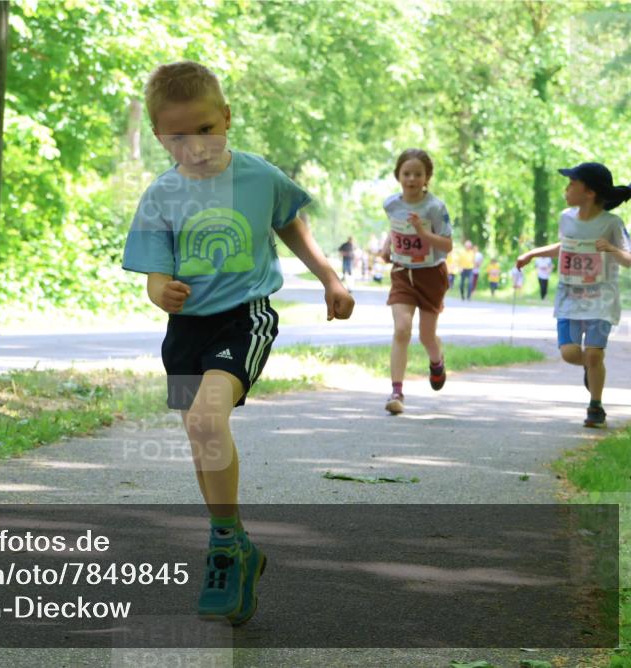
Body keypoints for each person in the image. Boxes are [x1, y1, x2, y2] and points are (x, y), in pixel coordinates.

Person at [121, 61, 354, 625]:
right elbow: (153, 269)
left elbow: (289, 221)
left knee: (207, 420)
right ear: (159, 137)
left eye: (206, 130)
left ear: (225, 118)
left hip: (242, 318)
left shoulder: (257, 176)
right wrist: (159, 291)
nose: (196, 146)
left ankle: (224, 546)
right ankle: (235, 544)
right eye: (178, 137)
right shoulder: (160, 195)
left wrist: (330, 277)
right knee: (202, 437)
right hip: (185, 333)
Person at [516, 162, 631, 428]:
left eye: (572, 184)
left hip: (601, 299)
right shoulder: (566, 218)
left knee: (594, 354)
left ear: (590, 192)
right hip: (569, 297)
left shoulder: (612, 224)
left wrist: (610, 249)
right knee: (570, 354)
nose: (566, 189)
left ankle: (595, 406)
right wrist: (532, 254)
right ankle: (592, 368)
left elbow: (630, 259)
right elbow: (566, 246)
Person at [379, 148, 453, 414]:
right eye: (406, 173)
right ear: (398, 175)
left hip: (431, 274)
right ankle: (396, 392)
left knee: (426, 335)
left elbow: (447, 244)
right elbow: (395, 227)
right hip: (402, 272)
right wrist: (387, 246)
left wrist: (423, 232)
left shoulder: (435, 207)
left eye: (418, 174)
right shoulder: (391, 204)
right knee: (402, 329)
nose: (411, 179)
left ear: (427, 177)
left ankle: (436, 361)